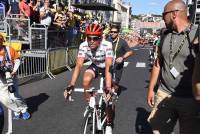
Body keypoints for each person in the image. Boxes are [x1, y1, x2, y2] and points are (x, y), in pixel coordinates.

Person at [147, 1, 200, 134]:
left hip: (190, 100)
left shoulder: (196, 34)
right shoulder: (165, 35)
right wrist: (151, 89)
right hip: (164, 94)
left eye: (163, 14)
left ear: (174, 14)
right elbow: (158, 63)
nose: (162, 18)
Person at [63, 23, 114, 134]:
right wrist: (71, 85)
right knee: (85, 80)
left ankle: (109, 122)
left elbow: (109, 66)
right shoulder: (83, 45)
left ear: (100, 38)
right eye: (89, 37)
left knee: (107, 98)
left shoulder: (107, 45)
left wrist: (108, 87)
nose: (91, 41)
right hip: (96, 65)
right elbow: (78, 65)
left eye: (95, 38)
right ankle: (90, 103)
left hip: (107, 67)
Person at [0, 34, 30, 120]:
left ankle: (23, 110)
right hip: (1, 80)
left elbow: (17, 59)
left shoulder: (9, 49)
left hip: (11, 76)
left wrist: (14, 70)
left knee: (14, 96)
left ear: (2, 40)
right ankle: (17, 110)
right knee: (4, 99)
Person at [109, 24, 133, 93]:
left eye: (115, 32)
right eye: (111, 31)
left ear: (118, 33)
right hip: (108, 64)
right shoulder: (107, 41)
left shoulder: (122, 42)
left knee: (115, 83)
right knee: (107, 82)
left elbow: (130, 51)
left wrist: (122, 57)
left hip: (117, 65)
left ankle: (114, 95)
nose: (113, 33)